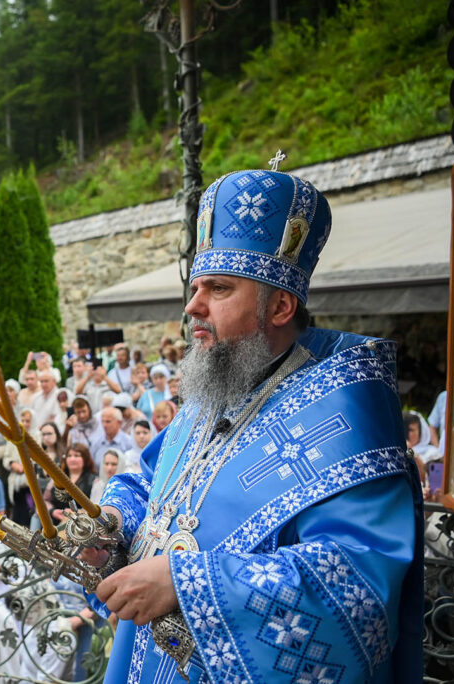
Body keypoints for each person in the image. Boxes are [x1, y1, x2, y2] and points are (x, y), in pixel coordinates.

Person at [90, 168, 421, 682]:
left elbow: (358, 588)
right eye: (196, 287)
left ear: (282, 305)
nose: (193, 307)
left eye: (218, 289)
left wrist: (187, 585)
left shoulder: (344, 412)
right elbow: (156, 486)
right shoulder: (220, 383)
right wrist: (111, 525)